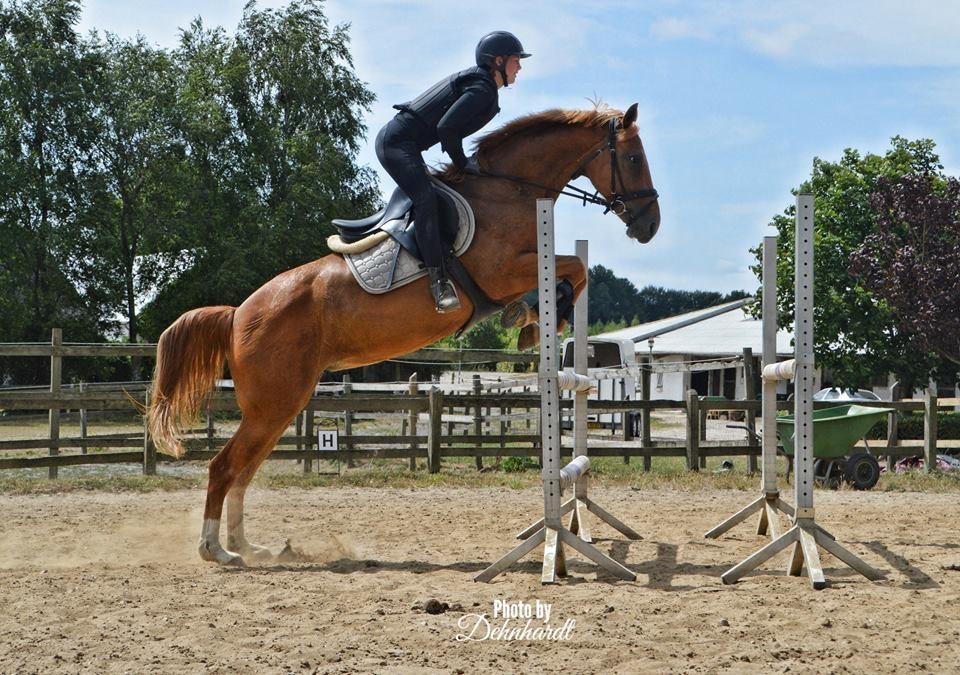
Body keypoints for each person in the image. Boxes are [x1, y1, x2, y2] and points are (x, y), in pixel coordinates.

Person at [375, 31, 530, 313]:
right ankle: (438, 281)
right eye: (516, 60)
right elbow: (446, 128)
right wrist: (462, 164)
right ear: (498, 61)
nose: (520, 66)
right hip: (397, 144)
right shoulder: (482, 88)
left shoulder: (484, 87)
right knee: (426, 200)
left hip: (407, 146)